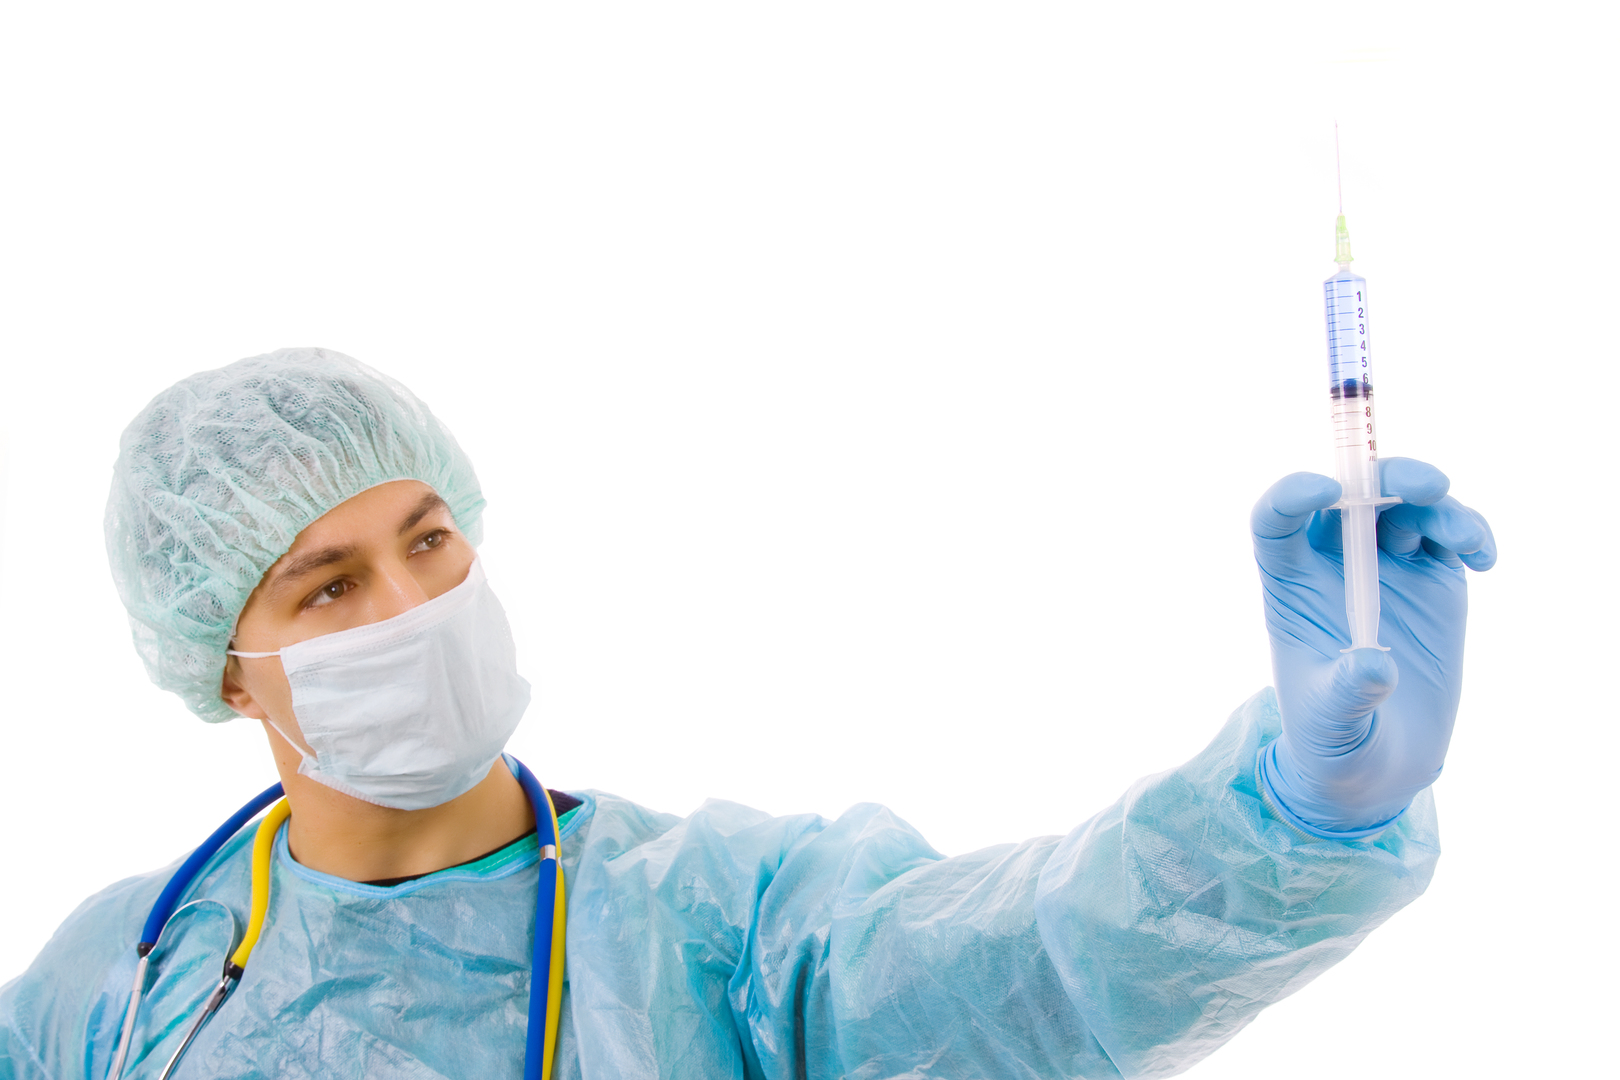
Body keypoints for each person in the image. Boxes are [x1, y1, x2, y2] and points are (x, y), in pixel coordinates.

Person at [0, 347, 1496, 1080]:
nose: (411, 607)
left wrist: (1292, 815)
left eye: (430, 540)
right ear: (223, 664)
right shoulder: (119, 977)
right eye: (329, 587)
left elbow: (1036, 963)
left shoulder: (714, 928)